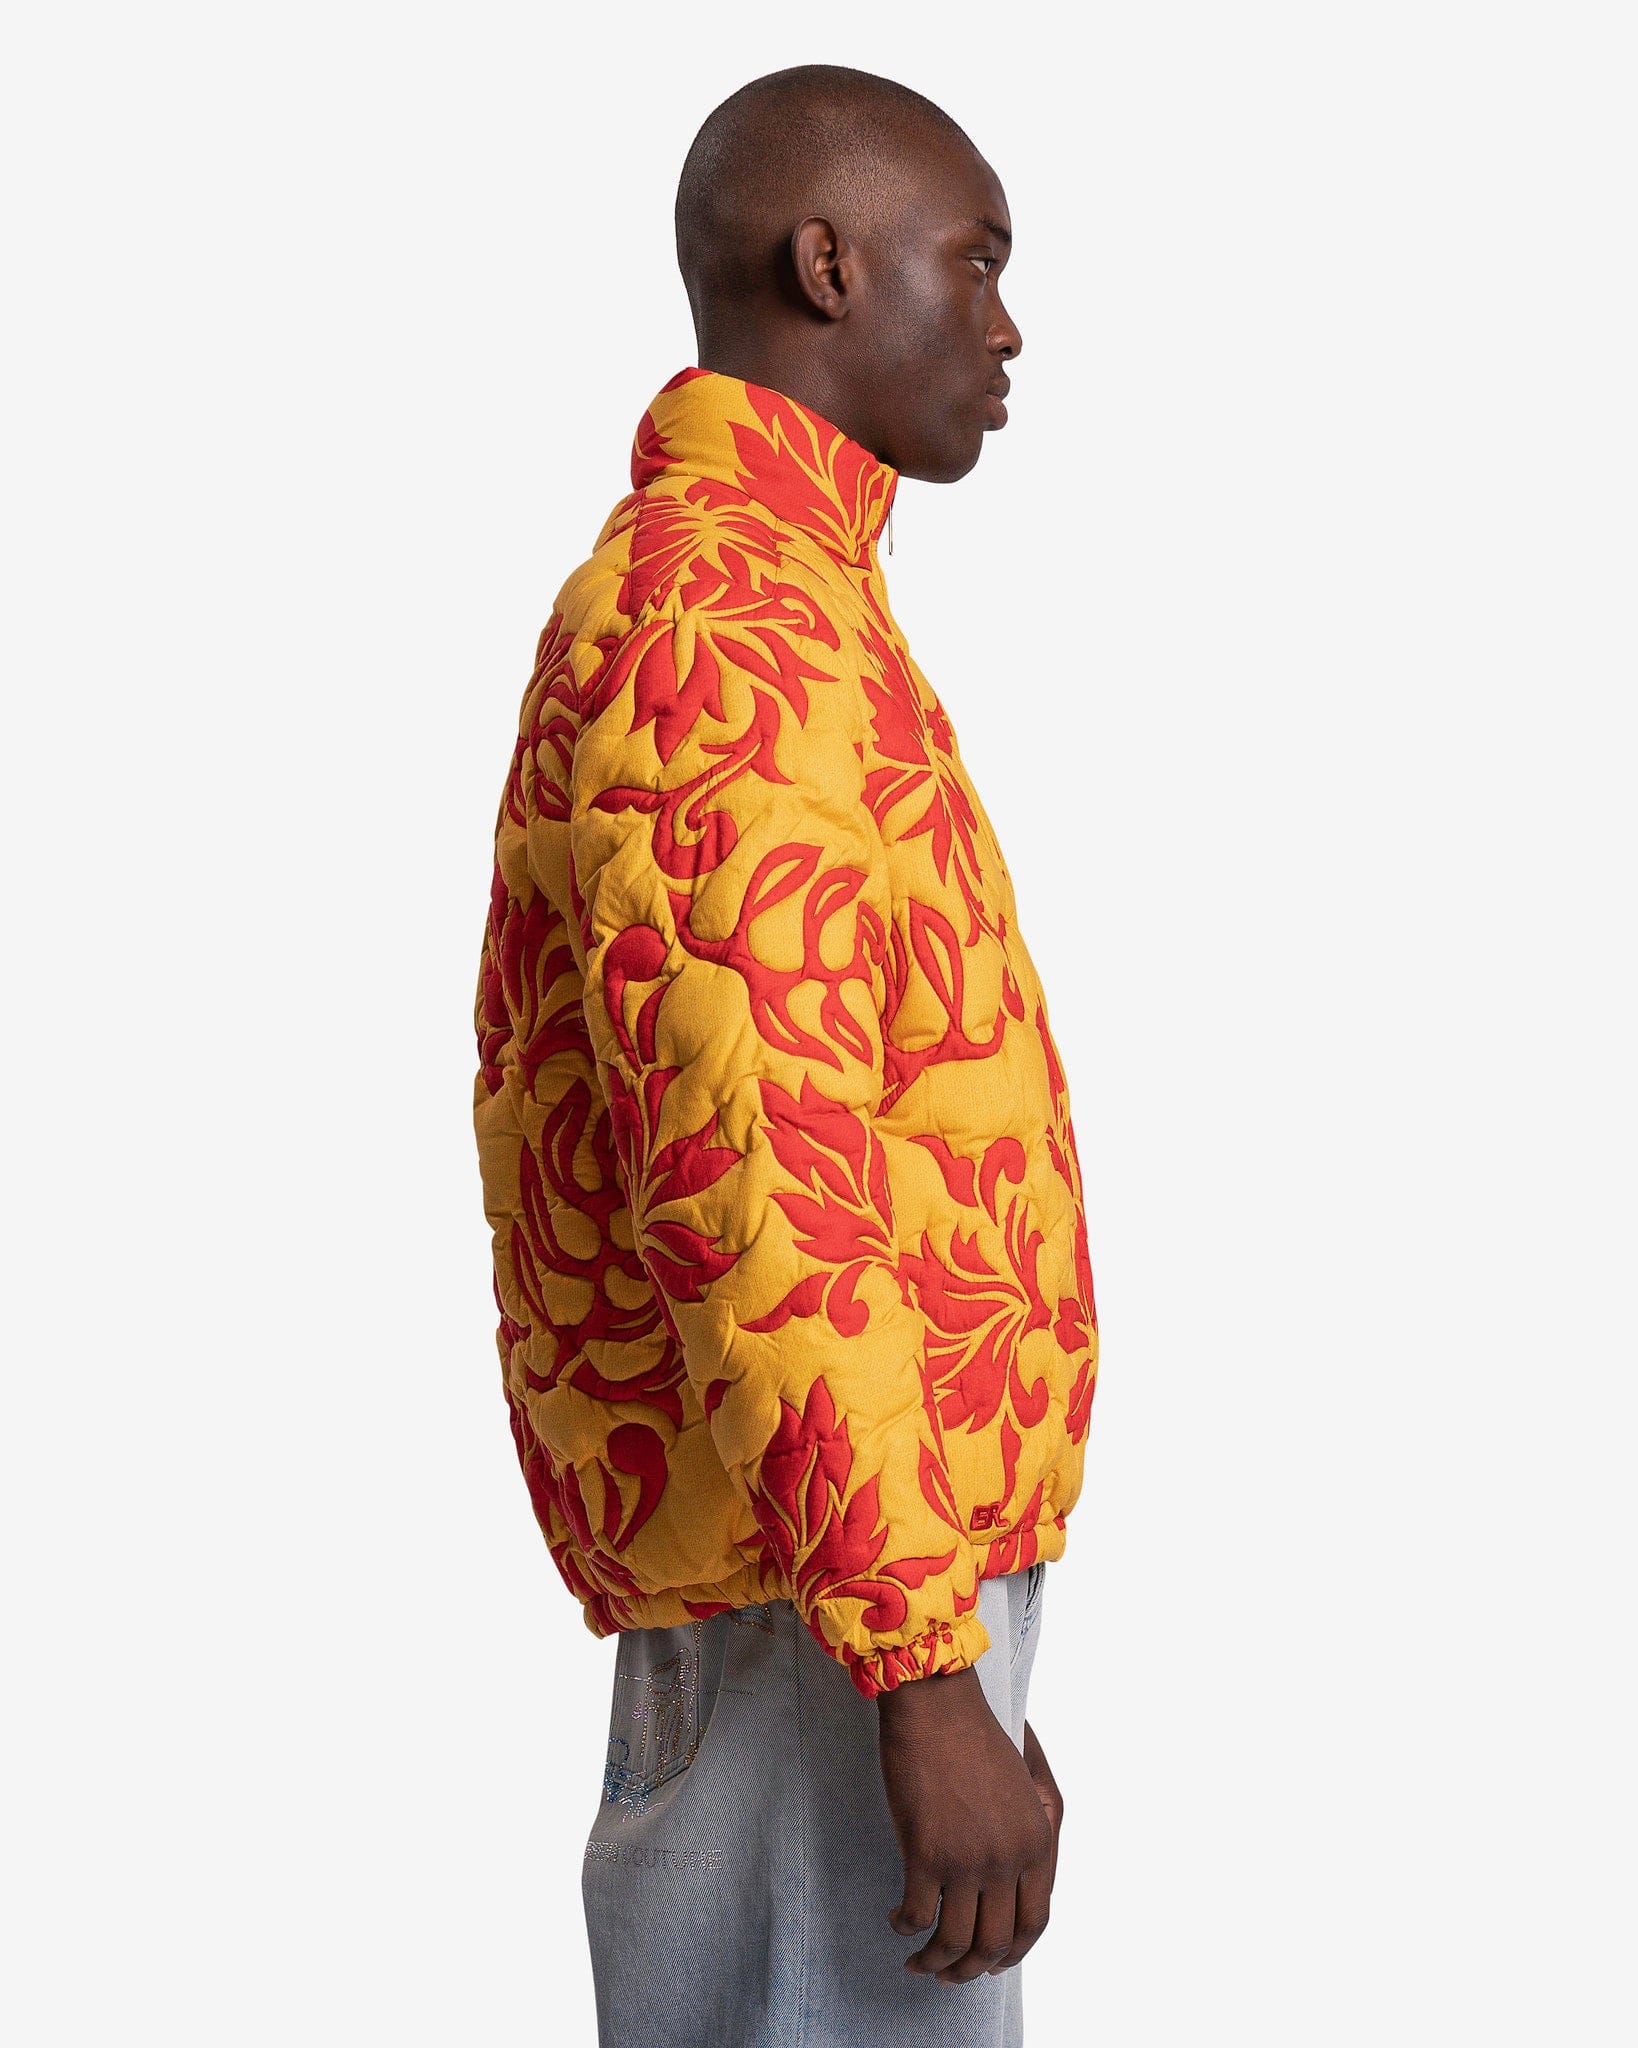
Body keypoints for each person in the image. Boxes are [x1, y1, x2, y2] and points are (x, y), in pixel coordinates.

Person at [473, 63, 1099, 2048]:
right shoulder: (717, 628)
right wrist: (919, 1672)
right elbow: (759, 1179)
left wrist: (943, 1649)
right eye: (973, 261)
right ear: (826, 265)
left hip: (833, 1575)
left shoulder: (791, 603)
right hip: (821, 1608)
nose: (1007, 325)